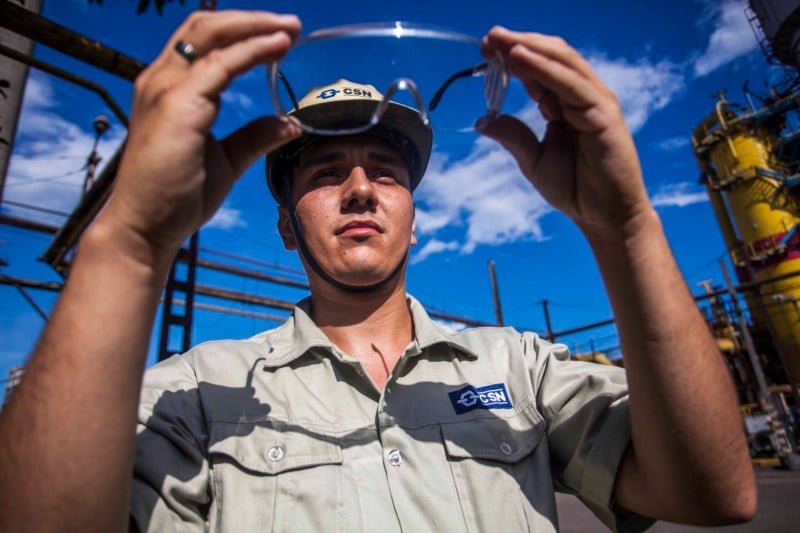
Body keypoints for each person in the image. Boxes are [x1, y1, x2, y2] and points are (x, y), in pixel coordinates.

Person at [0, 9, 756, 533]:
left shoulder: (519, 367)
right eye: (326, 171)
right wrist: (131, 246)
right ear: (286, 226)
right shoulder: (198, 392)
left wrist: (626, 228)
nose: (360, 187)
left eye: (386, 171)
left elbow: (714, 492)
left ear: (415, 218)